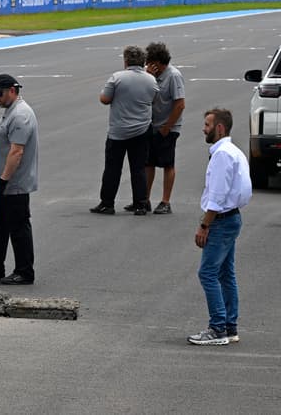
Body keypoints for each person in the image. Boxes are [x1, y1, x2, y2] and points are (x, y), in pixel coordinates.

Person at [187, 108, 251, 346]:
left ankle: (217, 329)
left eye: (207, 124)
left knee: (208, 273)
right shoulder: (233, 151)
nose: (204, 129)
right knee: (225, 274)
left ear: (220, 128)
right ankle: (230, 327)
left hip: (222, 220)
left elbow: (217, 195)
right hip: (232, 217)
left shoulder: (223, 155)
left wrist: (205, 225)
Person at [0, 74, 39, 285]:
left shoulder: (20, 115)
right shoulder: (11, 112)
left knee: (18, 227)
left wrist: (4, 181)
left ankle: (24, 271)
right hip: (4, 181)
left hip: (14, 184)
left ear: (12, 91)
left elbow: (16, 152)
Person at [90, 45, 158, 216]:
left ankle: (107, 203)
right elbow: (154, 99)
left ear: (126, 61)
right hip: (142, 129)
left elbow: (105, 99)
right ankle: (141, 204)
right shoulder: (151, 79)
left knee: (113, 168)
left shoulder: (117, 78)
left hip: (118, 131)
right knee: (139, 168)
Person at [126, 42, 185, 215]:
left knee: (167, 164)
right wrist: (148, 77)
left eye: (150, 62)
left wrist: (167, 127)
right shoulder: (150, 76)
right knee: (148, 163)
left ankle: (166, 201)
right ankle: (145, 199)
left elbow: (180, 104)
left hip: (168, 127)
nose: (147, 66)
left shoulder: (173, 76)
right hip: (150, 125)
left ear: (158, 63)